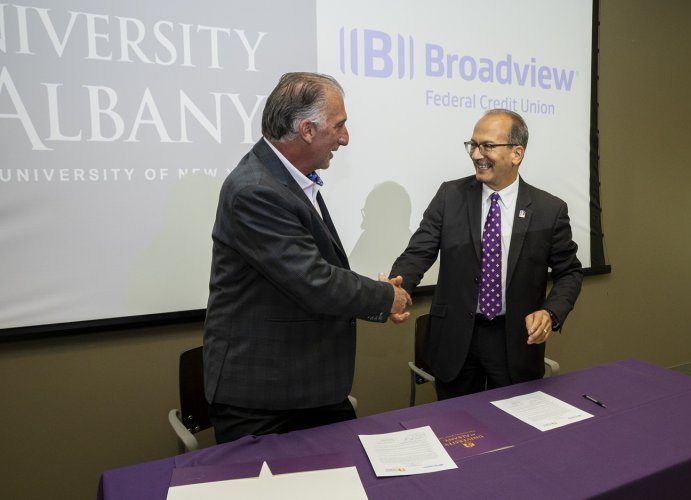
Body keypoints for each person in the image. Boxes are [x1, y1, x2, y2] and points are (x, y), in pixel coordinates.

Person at [203, 72, 411, 443]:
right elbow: (313, 280)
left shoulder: (288, 179)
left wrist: (373, 291)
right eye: (339, 125)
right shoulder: (255, 190)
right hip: (265, 400)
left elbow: (314, 270)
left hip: (304, 386)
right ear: (307, 130)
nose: (345, 138)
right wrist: (386, 297)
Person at [389, 109, 582, 400]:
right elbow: (418, 252)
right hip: (456, 341)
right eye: (473, 145)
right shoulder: (449, 196)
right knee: (457, 432)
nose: (476, 154)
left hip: (514, 342)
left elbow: (569, 272)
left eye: (487, 146)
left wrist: (550, 312)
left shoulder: (549, 210)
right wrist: (397, 288)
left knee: (516, 432)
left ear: (517, 154)